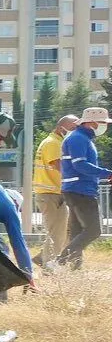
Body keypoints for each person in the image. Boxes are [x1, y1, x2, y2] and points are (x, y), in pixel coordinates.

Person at [56, 107, 112, 269]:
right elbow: (80, 165)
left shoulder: (80, 138)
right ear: (91, 123)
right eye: (103, 123)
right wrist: (107, 174)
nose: (105, 127)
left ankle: (75, 267)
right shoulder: (79, 139)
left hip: (75, 189)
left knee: (77, 230)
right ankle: (59, 262)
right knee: (94, 230)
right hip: (81, 190)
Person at [33, 115, 79, 267]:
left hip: (51, 194)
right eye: (73, 128)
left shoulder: (53, 141)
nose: (75, 132)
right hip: (51, 194)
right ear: (61, 128)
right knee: (57, 233)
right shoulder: (54, 143)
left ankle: (41, 258)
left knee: (61, 231)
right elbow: (61, 167)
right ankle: (48, 266)